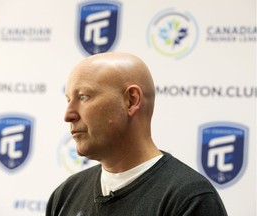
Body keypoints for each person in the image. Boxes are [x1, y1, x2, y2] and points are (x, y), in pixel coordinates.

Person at [46, 52, 228, 216]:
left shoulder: (189, 199)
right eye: (69, 100)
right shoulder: (66, 194)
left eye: (84, 97)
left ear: (131, 101)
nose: (68, 115)